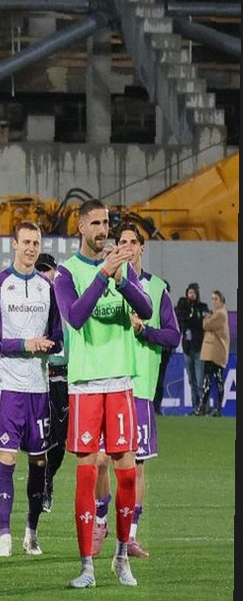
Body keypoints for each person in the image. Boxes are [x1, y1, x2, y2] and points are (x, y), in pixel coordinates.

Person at [53, 198, 153, 589]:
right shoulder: (67, 272)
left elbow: (143, 308)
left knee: (127, 470)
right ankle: (86, 567)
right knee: (87, 471)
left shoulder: (122, 268)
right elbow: (75, 317)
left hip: (120, 382)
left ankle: (122, 556)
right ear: (79, 227)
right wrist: (102, 275)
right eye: (94, 222)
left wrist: (120, 278)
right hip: (85, 384)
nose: (102, 229)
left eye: (106, 222)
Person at [0, 221, 61, 560]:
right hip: (8, 385)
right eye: (25, 242)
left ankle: (31, 532)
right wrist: (24, 344)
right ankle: (4, 535)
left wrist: (48, 345)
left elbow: (58, 334)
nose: (31, 248)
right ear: (13, 244)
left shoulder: (49, 288)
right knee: (6, 457)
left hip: (39, 386)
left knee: (39, 460)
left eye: (36, 242)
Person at [114, 224, 179, 559]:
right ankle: (98, 522)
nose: (127, 247)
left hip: (139, 390)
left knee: (136, 466)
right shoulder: (108, 283)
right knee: (98, 461)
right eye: (121, 242)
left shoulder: (156, 289)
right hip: (109, 384)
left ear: (141, 248)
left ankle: (130, 536)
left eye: (132, 243)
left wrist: (145, 331)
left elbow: (173, 337)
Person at [35, 253, 69, 513]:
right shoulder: (34, 302)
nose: (46, 276)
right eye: (41, 271)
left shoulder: (66, 298)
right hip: (40, 375)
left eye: (48, 271)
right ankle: (40, 485)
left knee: (61, 441)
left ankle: (48, 478)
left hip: (64, 376)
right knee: (40, 439)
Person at [175, 283, 208, 413]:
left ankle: (202, 406)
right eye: (189, 293)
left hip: (199, 347)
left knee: (200, 381)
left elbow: (201, 324)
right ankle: (196, 407)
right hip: (187, 348)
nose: (191, 295)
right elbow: (181, 322)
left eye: (193, 293)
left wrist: (191, 317)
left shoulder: (202, 307)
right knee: (191, 380)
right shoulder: (184, 308)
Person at [198, 290, 230, 416]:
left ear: (222, 300)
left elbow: (207, 325)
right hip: (212, 352)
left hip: (216, 352)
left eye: (216, 299)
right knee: (210, 379)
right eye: (212, 299)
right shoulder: (217, 313)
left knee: (216, 379)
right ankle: (204, 407)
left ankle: (215, 408)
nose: (213, 301)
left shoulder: (220, 314)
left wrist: (206, 319)